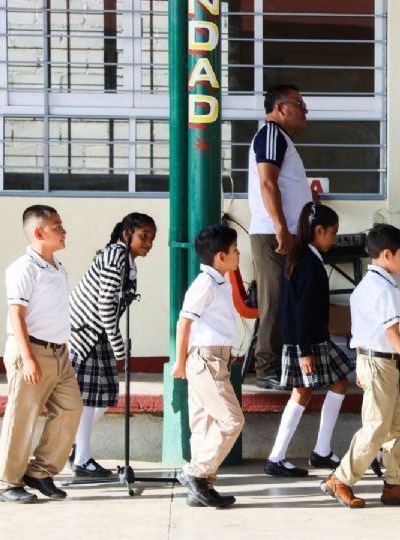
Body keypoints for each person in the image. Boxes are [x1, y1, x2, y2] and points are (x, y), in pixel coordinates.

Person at [320, 224, 400, 508]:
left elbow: (360, 329)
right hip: (380, 362)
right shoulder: (384, 289)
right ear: (386, 254)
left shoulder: (368, 286)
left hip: (373, 360)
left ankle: (395, 485)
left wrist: (362, 365)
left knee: (394, 425)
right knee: (377, 427)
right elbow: (393, 333)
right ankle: (341, 478)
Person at [0, 205, 81, 503]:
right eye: (57, 226)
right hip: (30, 350)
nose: (64, 230)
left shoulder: (56, 265)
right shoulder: (24, 268)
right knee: (22, 417)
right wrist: (28, 358)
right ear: (39, 232)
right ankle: (6, 483)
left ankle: (41, 471)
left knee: (71, 409)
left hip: (59, 353)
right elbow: (16, 315)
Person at [265, 202, 352, 477]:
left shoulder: (302, 256)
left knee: (339, 382)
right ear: (319, 230)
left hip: (312, 340)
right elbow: (301, 310)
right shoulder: (309, 263)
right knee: (302, 392)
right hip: (306, 343)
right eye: (332, 233)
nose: (334, 239)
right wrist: (304, 351)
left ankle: (322, 451)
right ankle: (276, 457)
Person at [67, 212, 156, 477]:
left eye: (152, 238)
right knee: (90, 398)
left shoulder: (125, 259)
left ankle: (75, 447)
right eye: (143, 236)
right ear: (127, 234)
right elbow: (106, 305)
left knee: (102, 397)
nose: (149, 243)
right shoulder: (117, 256)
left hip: (97, 333)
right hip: (86, 333)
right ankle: (81, 457)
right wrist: (120, 348)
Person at [172, 224, 246, 508]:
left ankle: (200, 488)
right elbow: (184, 322)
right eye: (235, 250)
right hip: (206, 359)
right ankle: (194, 473)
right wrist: (179, 363)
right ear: (220, 257)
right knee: (231, 420)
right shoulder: (204, 284)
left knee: (204, 424)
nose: (238, 254)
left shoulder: (220, 281)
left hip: (215, 358)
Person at [248, 83, 311, 389]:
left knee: (289, 299)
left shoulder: (282, 139)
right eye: (299, 104)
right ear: (280, 108)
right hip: (273, 234)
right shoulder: (271, 134)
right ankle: (266, 369)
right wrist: (281, 228)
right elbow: (267, 183)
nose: (305, 111)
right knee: (274, 299)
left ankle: (285, 365)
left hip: (289, 233)